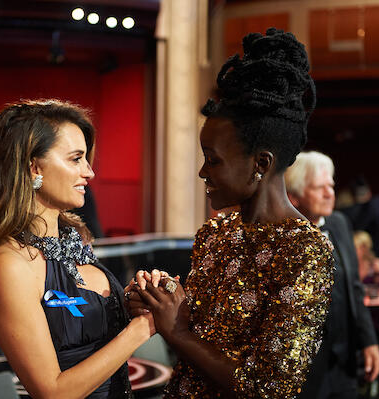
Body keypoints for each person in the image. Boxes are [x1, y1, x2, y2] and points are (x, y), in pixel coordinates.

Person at [128, 29, 335, 398]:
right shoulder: (217, 230)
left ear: (261, 163)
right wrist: (160, 301)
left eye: (213, 160)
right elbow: (201, 321)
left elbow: (269, 387)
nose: (202, 172)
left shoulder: (305, 252)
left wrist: (177, 332)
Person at [0, 99, 156, 399]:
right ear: (33, 167)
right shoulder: (10, 265)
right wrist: (141, 329)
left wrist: (134, 302)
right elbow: (52, 393)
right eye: (76, 159)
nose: (89, 172)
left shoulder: (74, 241)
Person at [285, 151, 379, 399]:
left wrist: (369, 341)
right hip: (304, 367)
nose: (330, 193)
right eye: (320, 188)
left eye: (331, 185)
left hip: (344, 361)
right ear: (295, 197)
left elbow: (354, 287)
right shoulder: (282, 236)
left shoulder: (340, 222)